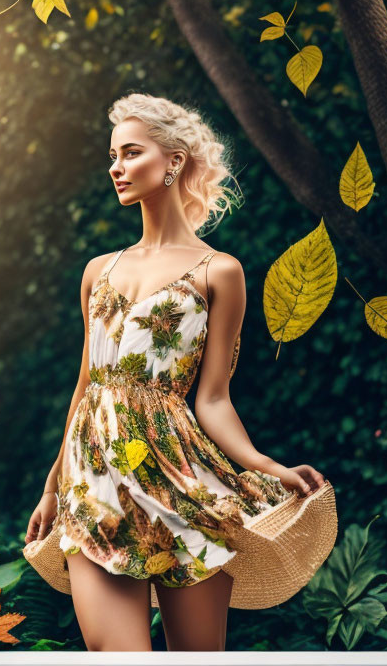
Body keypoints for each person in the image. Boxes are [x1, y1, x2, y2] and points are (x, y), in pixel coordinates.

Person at [23, 93, 327, 651]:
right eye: (112, 155)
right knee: (116, 653)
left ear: (174, 162)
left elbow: (212, 399)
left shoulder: (220, 272)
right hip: (95, 485)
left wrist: (266, 465)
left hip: (182, 484)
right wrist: (52, 485)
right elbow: (88, 386)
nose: (116, 167)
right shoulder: (98, 272)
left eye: (131, 152)